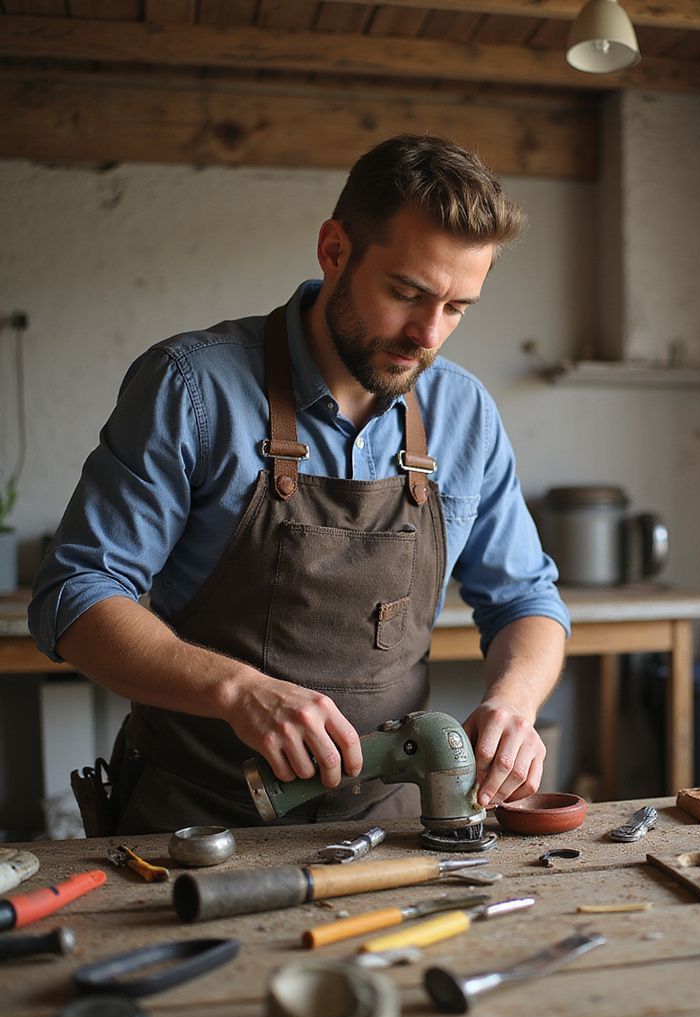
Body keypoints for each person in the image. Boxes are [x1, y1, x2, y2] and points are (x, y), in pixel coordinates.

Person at [29, 134, 569, 835]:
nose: (426, 336)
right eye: (406, 293)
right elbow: (75, 597)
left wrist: (515, 705)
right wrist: (237, 690)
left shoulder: (463, 414)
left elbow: (527, 599)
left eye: (458, 307)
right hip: (196, 823)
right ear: (335, 250)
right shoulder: (192, 388)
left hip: (388, 825)